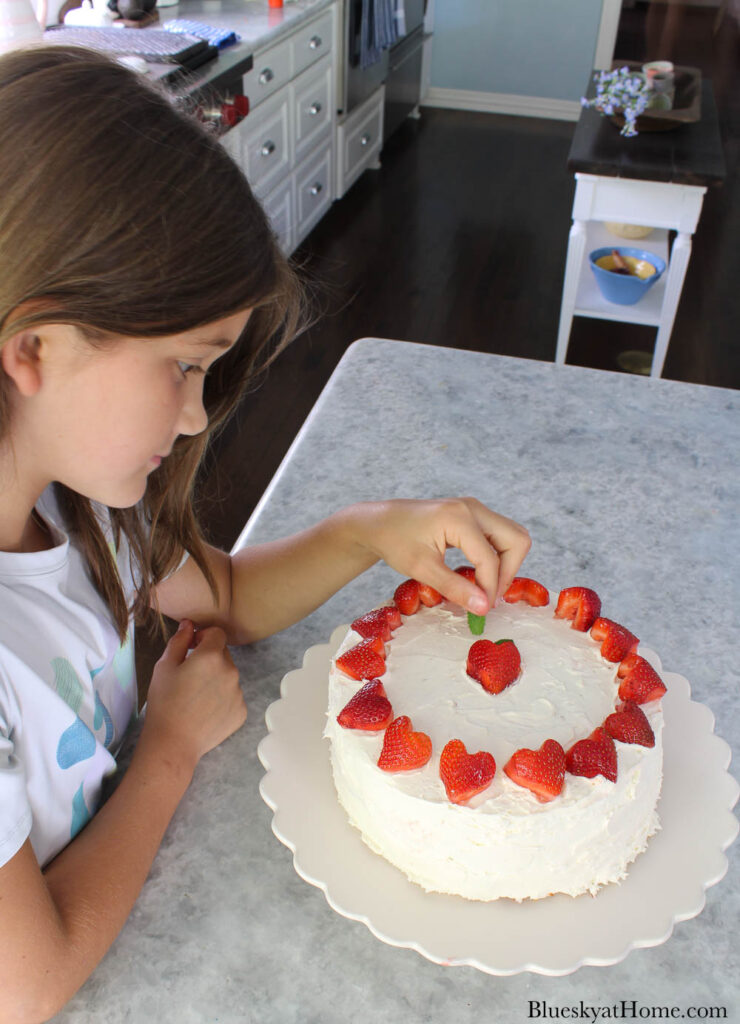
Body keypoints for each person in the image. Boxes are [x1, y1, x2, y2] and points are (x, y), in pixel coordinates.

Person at [0, 45, 531, 1021]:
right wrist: (165, 749)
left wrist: (375, 529)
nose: (198, 417)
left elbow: (232, 598)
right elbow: (24, 984)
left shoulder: (79, 509)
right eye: (183, 367)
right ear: (35, 347)